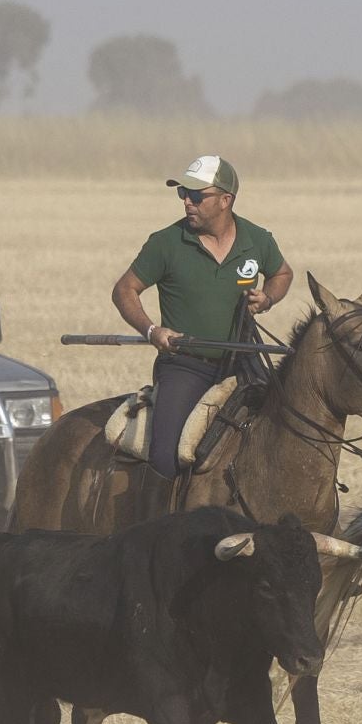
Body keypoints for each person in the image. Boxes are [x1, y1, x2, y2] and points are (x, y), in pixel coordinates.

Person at [109, 156, 293, 482]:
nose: (186, 202)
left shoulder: (257, 240)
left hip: (244, 362)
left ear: (226, 200)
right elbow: (125, 290)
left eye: (196, 196)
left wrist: (267, 298)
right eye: (183, 193)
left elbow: (282, 273)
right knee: (165, 457)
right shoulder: (165, 243)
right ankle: (162, 528)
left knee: (286, 432)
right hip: (185, 365)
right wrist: (151, 330)